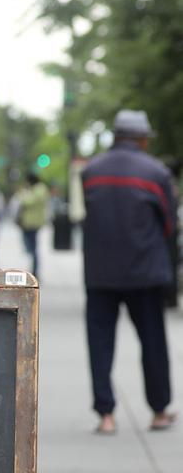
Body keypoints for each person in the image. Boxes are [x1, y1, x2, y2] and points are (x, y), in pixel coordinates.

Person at [80, 110, 178, 435]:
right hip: (144, 272)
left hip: (100, 272)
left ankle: (105, 415)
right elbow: (168, 225)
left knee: (100, 344)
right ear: (143, 139)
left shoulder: (91, 171)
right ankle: (159, 410)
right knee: (152, 343)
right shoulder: (156, 173)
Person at [16, 173, 51, 279]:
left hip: (32, 222)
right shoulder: (38, 189)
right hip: (30, 221)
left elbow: (28, 202)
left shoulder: (39, 189)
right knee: (31, 246)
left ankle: (35, 270)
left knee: (32, 247)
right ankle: (34, 268)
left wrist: (22, 193)